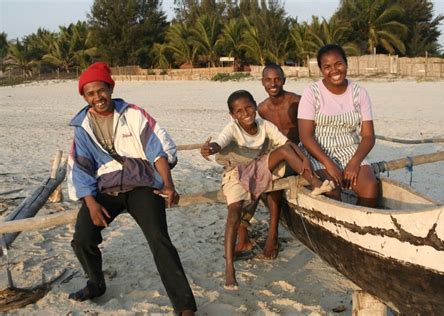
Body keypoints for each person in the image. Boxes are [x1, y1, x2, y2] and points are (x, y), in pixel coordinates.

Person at [67, 62, 196, 315]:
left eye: (101, 90)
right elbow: (81, 168)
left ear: (110, 88)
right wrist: (91, 204)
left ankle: (185, 307)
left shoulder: (133, 114)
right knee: (82, 239)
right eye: (90, 94)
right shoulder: (82, 128)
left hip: (142, 185)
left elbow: (156, 150)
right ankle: (96, 283)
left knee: (159, 240)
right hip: (106, 189)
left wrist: (168, 184)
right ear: (84, 97)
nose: (98, 98)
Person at [200, 90, 334, 290]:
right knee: (234, 213)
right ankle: (229, 267)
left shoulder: (265, 125)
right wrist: (210, 149)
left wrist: (304, 159)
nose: (245, 113)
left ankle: (314, 184)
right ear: (233, 115)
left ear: (255, 105)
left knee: (286, 151)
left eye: (248, 107)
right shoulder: (232, 128)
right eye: (239, 111)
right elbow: (220, 142)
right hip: (236, 171)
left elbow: (286, 144)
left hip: (260, 166)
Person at [234, 63, 301, 260]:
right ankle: (244, 235)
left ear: (284, 80)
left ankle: (272, 235)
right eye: (268, 80)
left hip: (295, 155)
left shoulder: (296, 102)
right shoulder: (261, 109)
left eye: (277, 79)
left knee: (270, 186)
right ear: (262, 83)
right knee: (248, 178)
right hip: (274, 155)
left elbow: (309, 131)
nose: (273, 84)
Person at [298, 44, 378, 207]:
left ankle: (362, 224)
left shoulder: (359, 93)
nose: (334, 70)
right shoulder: (311, 93)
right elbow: (306, 136)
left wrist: (354, 163)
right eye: (327, 67)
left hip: (350, 149)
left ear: (346, 64)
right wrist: (328, 164)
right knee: (332, 190)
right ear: (321, 70)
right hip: (318, 151)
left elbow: (368, 136)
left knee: (370, 188)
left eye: (338, 64)